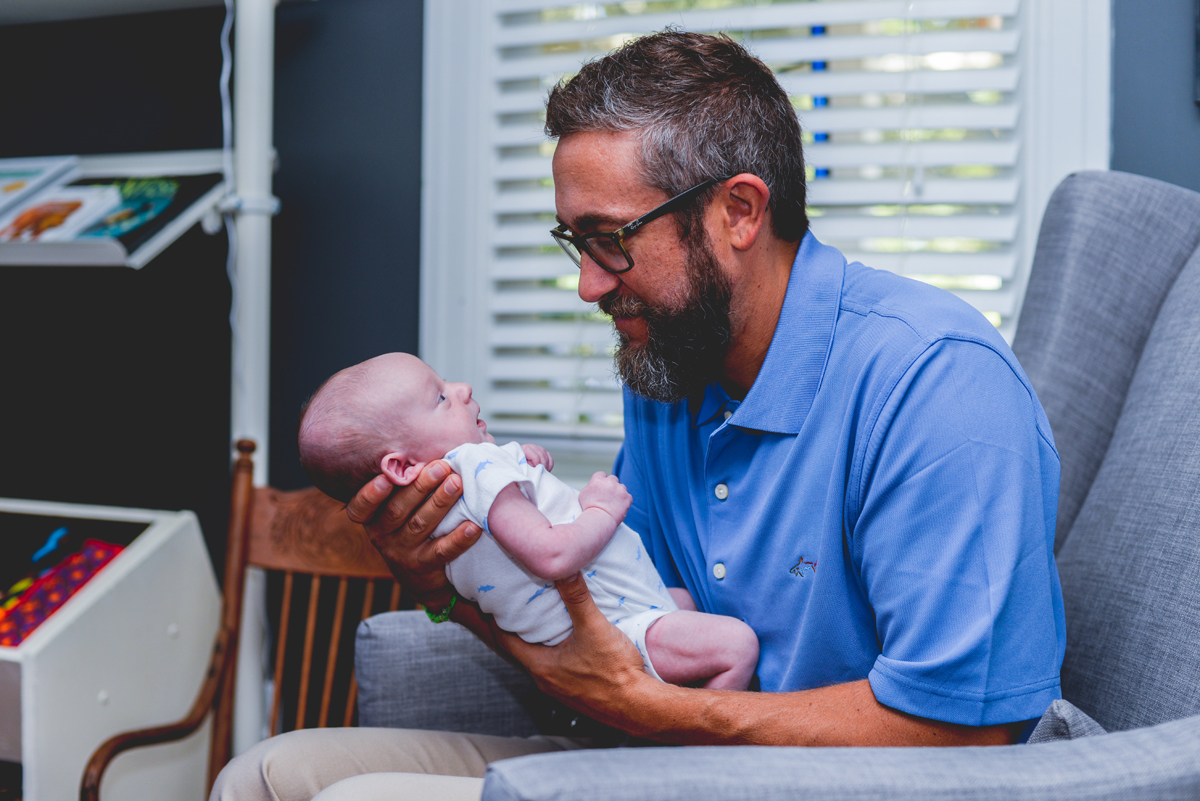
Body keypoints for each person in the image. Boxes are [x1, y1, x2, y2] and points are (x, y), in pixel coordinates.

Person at [212, 29, 1065, 801]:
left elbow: (965, 731)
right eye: (573, 242)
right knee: (265, 775)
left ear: (739, 210)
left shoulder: (936, 387)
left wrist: (655, 710)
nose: (588, 283)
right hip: (671, 756)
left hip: (821, 781)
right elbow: (600, 631)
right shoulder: (670, 367)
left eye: (609, 237)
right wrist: (443, 586)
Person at [296, 352, 759, 689]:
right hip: (616, 630)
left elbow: (497, 540)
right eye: (439, 397)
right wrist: (600, 509)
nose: (462, 390)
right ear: (400, 468)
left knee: (687, 603)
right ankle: (690, 756)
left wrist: (520, 464)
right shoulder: (474, 468)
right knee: (736, 645)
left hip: (619, 611)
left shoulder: (446, 503)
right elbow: (552, 554)